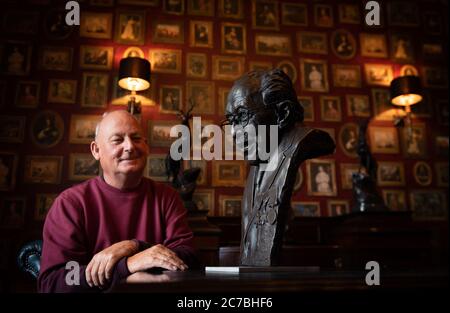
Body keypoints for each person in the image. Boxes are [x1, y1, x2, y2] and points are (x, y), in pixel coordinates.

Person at [38, 110, 199, 292]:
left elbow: (188, 258)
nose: (130, 146)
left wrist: (133, 246)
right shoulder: (70, 204)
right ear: (96, 150)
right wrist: (127, 266)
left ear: (146, 146)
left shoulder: (167, 197)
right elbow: (55, 282)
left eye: (136, 138)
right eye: (117, 140)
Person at [224, 69, 335, 266]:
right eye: (231, 121)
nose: (234, 132)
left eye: (242, 117)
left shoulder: (298, 144)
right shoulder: (257, 165)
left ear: (282, 114)